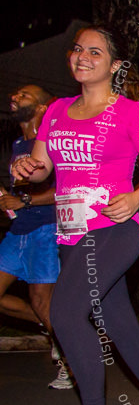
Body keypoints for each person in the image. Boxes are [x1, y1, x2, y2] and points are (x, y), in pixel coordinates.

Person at [13, 25, 139, 405]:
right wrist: (26, 166)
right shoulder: (54, 111)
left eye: (95, 51)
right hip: (71, 234)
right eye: (77, 49)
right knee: (119, 324)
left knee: (65, 312)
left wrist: (136, 197)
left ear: (113, 65)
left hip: (114, 230)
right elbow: (43, 169)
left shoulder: (129, 112)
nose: (82, 56)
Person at [2, 85, 68, 388]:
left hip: (46, 230)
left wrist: (26, 201)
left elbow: (64, 191)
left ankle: (71, 360)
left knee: (42, 301)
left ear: (42, 108)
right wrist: (8, 198)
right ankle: (53, 330)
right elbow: (22, 192)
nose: (15, 97)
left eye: (24, 95)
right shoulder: (18, 143)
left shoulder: (51, 144)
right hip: (18, 231)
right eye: (14, 94)